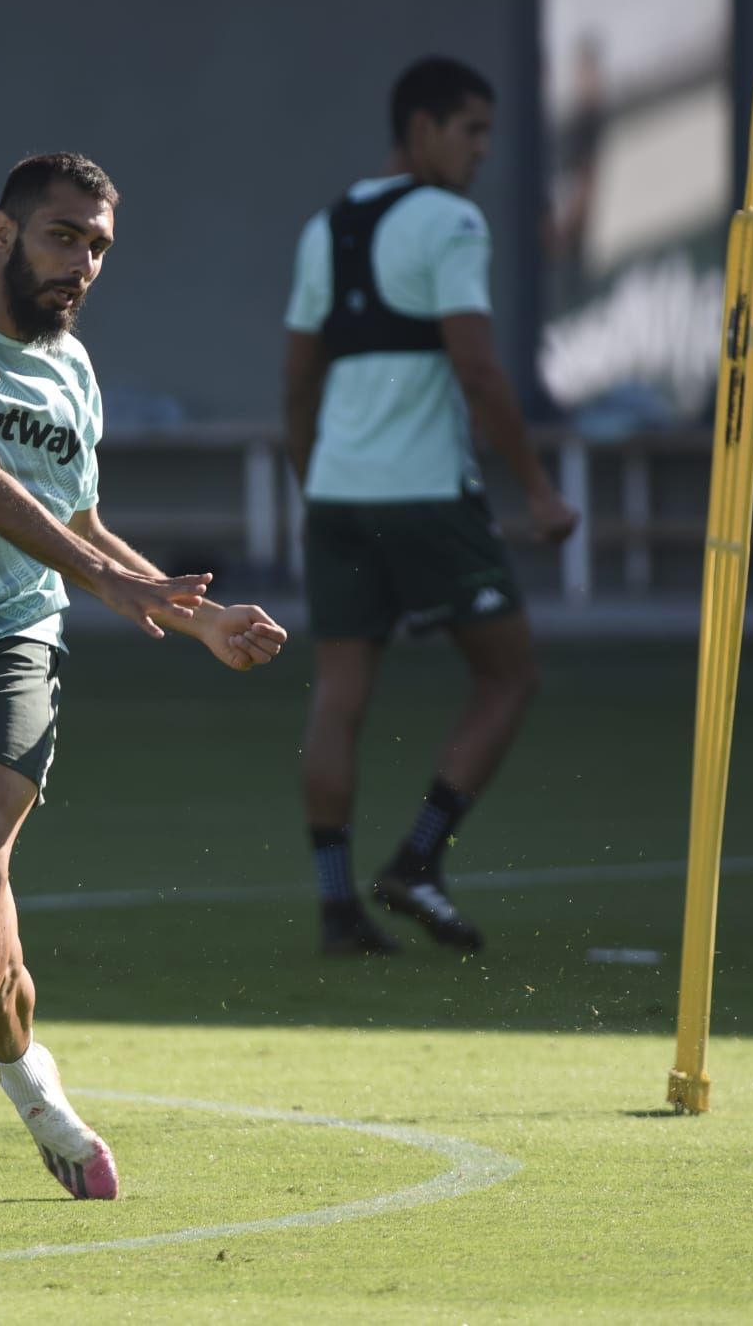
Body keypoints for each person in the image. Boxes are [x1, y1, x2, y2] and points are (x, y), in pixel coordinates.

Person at [0, 151, 289, 1219]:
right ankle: (43, 1101)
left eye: (97, 246)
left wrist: (195, 612)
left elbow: (77, 526)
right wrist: (109, 579)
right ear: (1, 233)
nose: (80, 261)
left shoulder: (71, 373)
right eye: (61, 235)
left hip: (11, 639)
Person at [282, 57, 579, 959]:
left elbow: (298, 382)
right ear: (420, 129)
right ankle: (416, 859)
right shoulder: (451, 221)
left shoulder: (325, 226)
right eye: (471, 130)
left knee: (339, 695)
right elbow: (479, 368)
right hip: (425, 495)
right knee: (510, 674)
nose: (483, 151)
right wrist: (535, 485)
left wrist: (315, 482)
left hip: (338, 493)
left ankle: (337, 907)